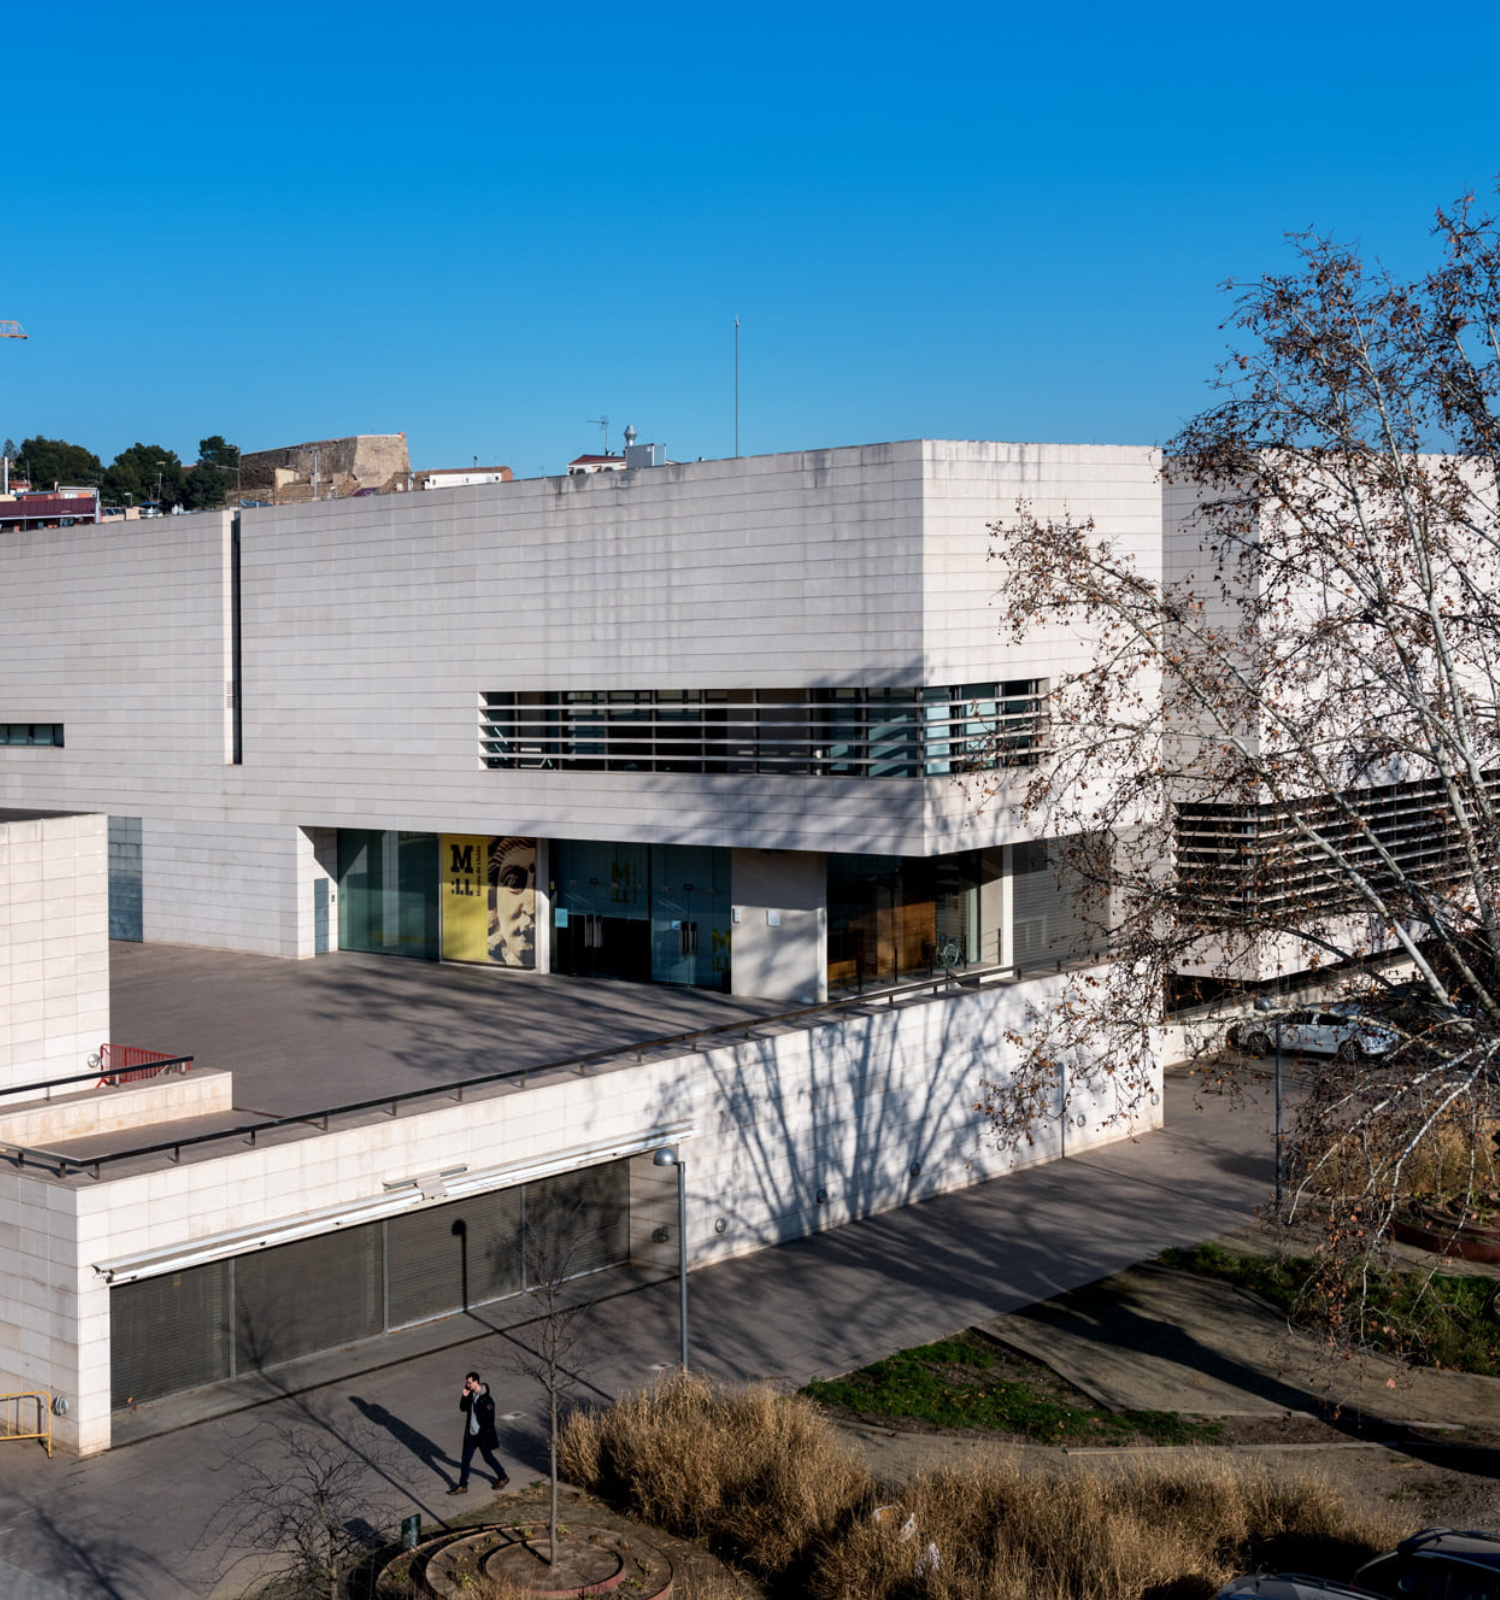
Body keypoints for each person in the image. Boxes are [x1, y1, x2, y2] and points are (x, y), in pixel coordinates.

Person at [449, 1371, 509, 1494]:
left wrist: (485, 1434)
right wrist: (464, 1396)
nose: (467, 1385)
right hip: (471, 1435)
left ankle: (503, 1477)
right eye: (467, 1382)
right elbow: (463, 1408)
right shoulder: (471, 1395)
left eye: (469, 1383)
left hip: (481, 1435)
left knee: (488, 1458)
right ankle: (463, 1485)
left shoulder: (486, 1400)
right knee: (465, 1459)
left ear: (476, 1382)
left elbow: (489, 1420)